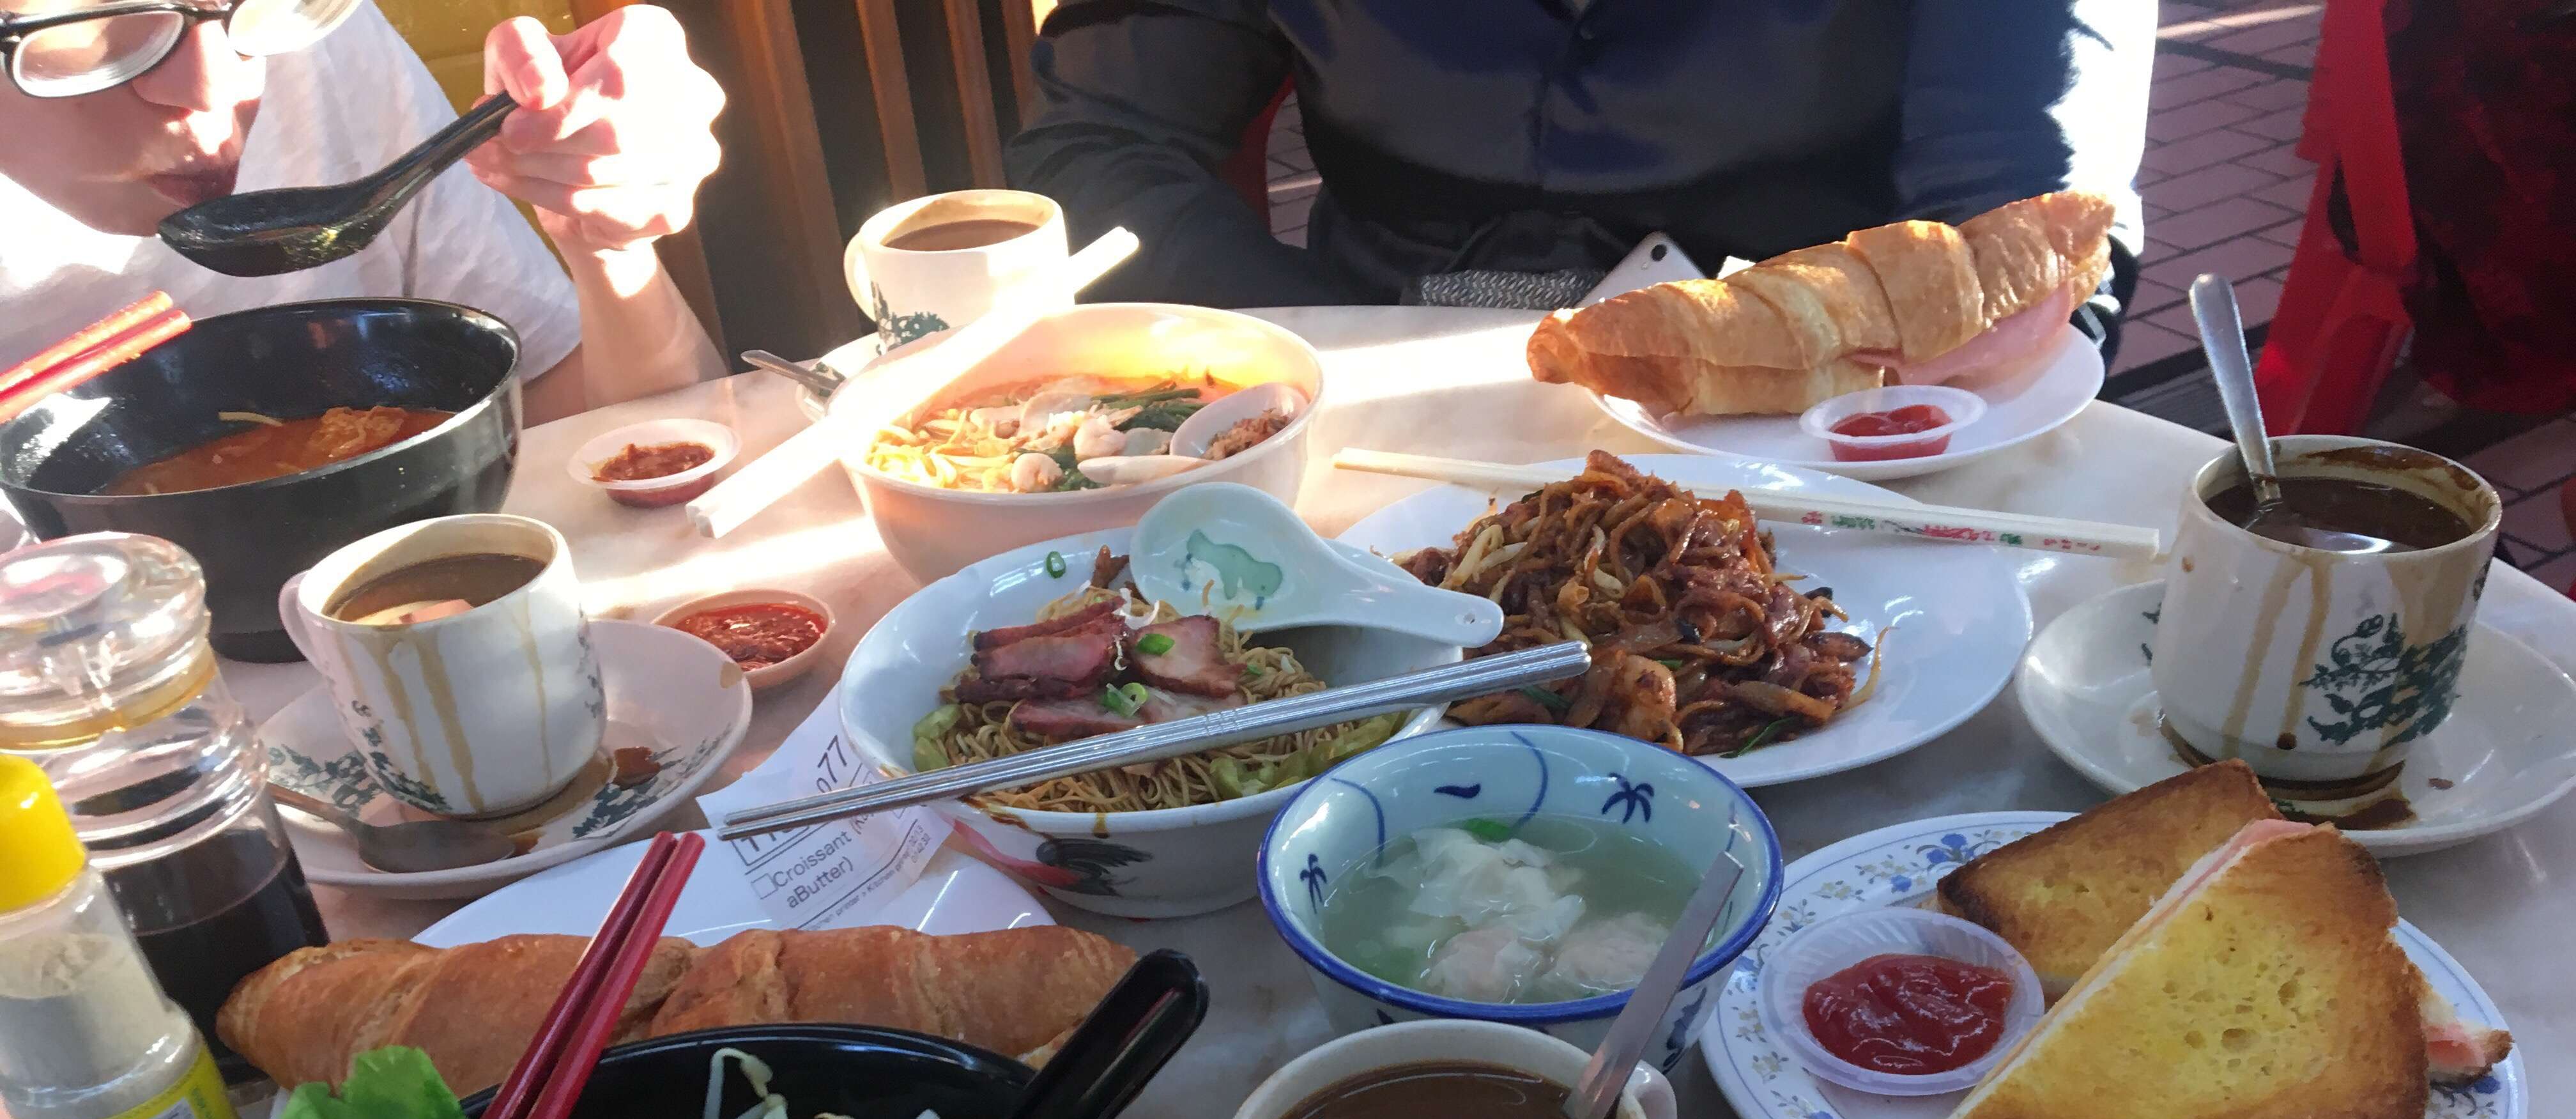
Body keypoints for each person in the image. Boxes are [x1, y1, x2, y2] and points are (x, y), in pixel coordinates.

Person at [1008, 0, 2149, 344]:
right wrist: (1296, 349)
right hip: (1362, 369)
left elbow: (2026, 231)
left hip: (1814, 410)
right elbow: (1095, 150)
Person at [0, 0, 724, 422]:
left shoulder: (307, 35)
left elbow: (606, 430)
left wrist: (604, 244)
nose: (215, 88)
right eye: (90, 26)